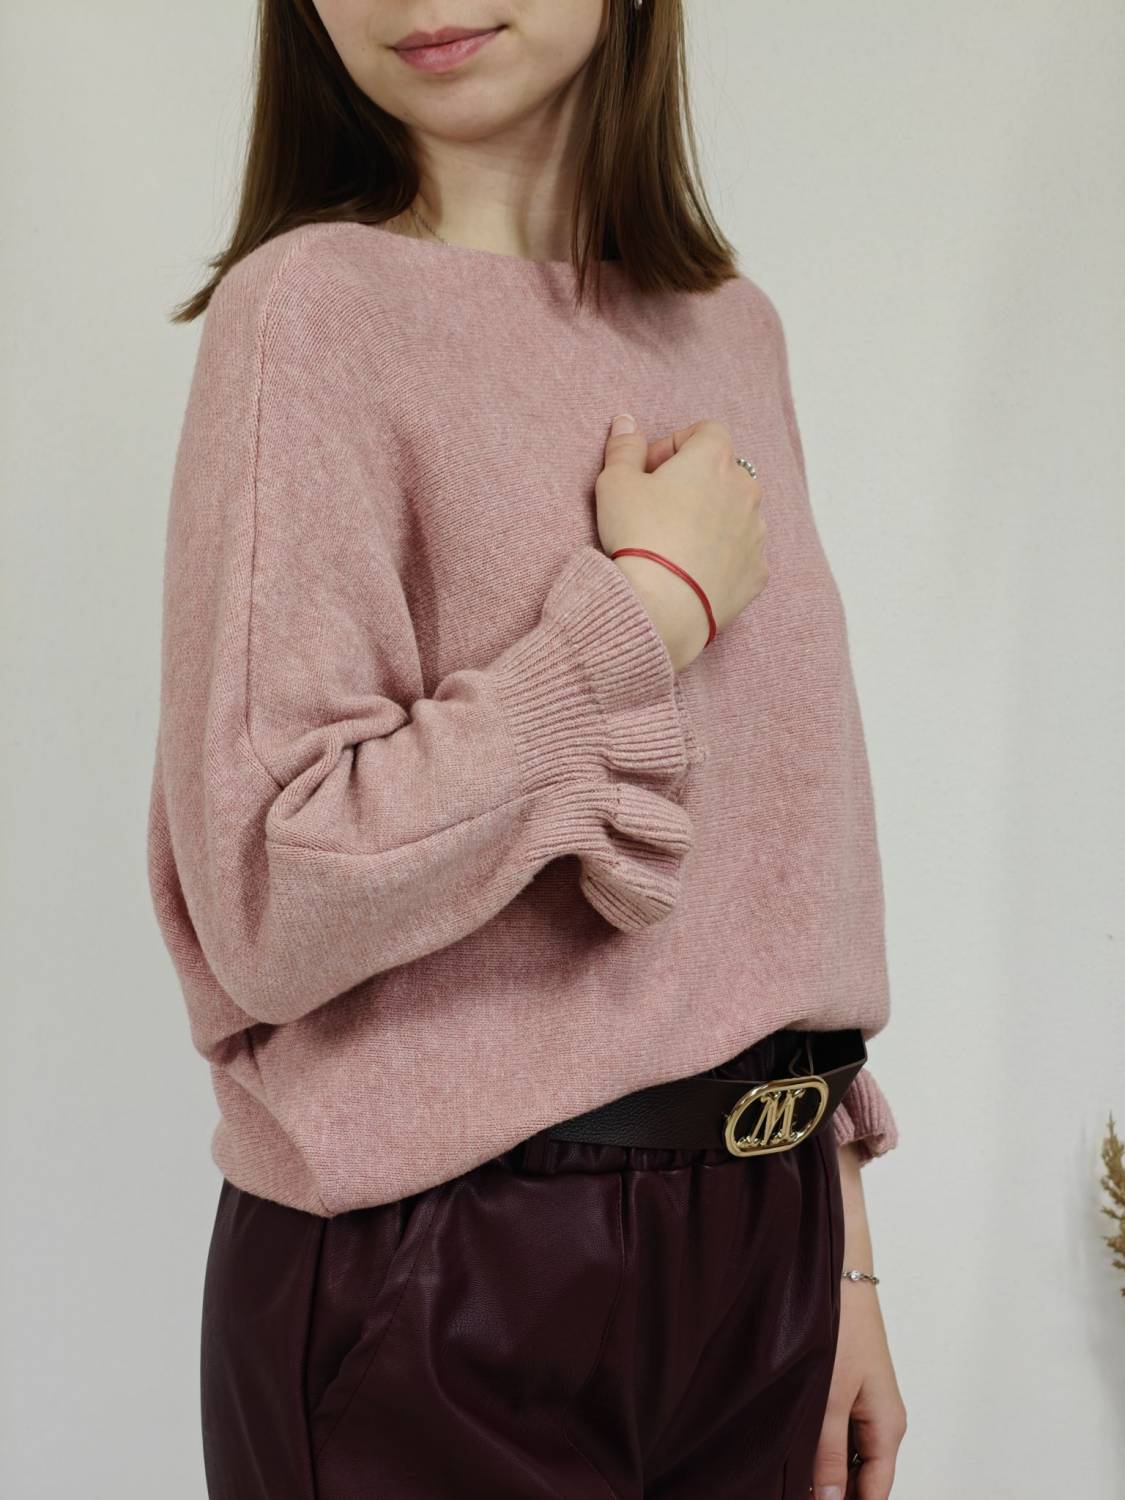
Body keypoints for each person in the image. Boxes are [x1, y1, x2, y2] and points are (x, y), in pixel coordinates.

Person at [146, 1, 908, 1495]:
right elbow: (268, 893)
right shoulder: (310, 309)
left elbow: (785, 864)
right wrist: (647, 613)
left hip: (764, 1251)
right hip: (445, 1275)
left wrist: (844, 1252)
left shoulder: (729, 329)